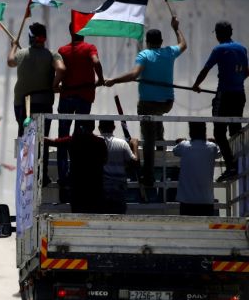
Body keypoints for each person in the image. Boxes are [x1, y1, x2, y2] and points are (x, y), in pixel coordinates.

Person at [105, 16, 187, 187]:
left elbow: (134, 75)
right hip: (167, 103)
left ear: (148, 42)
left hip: (149, 103)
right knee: (157, 122)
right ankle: (160, 149)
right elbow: (183, 45)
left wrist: (114, 80)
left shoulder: (145, 54)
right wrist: (176, 28)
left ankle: (148, 175)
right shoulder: (169, 52)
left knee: (148, 138)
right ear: (161, 41)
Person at [8, 22, 65, 187]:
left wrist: (13, 47)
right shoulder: (52, 55)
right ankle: (42, 174)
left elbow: (10, 61)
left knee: (25, 140)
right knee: (42, 139)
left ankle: (25, 175)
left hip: (23, 105)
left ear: (30, 37)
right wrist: (54, 86)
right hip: (44, 102)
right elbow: (61, 69)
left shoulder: (22, 53)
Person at [192, 21, 249, 182]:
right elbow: (247, 72)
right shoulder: (242, 49)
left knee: (218, 132)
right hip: (240, 95)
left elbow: (206, 69)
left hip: (224, 96)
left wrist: (196, 85)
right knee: (234, 130)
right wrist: (236, 82)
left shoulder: (219, 49)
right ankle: (237, 164)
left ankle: (232, 166)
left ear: (218, 34)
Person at [56, 23, 105, 198]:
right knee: (79, 139)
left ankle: (63, 176)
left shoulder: (62, 50)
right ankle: (75, 174)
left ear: (70, 32)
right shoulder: (90, 48)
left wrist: (57, 85)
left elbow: (58, 71)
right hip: (84, 97)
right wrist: (101, 79)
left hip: (67, 97)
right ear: (84, 32)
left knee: (63, 137)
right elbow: (96, 62)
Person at [46, 123, 107, 213]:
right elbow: (105, 160)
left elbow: (54, 142)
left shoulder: (73, 140)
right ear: (93, 127)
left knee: (78, 215)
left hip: (77, 187)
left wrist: (37, 136)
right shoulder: (100, 142)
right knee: (94, 214)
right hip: (95, 186)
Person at [173, 122, 220, 216]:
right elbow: (218, 153)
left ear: (190, 132)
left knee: (187, 229)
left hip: (187, 200)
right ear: (205, 132)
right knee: (205, 229)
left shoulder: (184, 146)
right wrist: (212, 141)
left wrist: (181, 141)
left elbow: (175, 151)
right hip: (206, 200)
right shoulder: (211, 147)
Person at [98, 120, 139, 214]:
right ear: (114, 128)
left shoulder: (95, 142)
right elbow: (135, 161)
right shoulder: (122, 143)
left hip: (102, 187)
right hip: (119, 187)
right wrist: (135, 145)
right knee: (119, 217)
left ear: (99, 128)